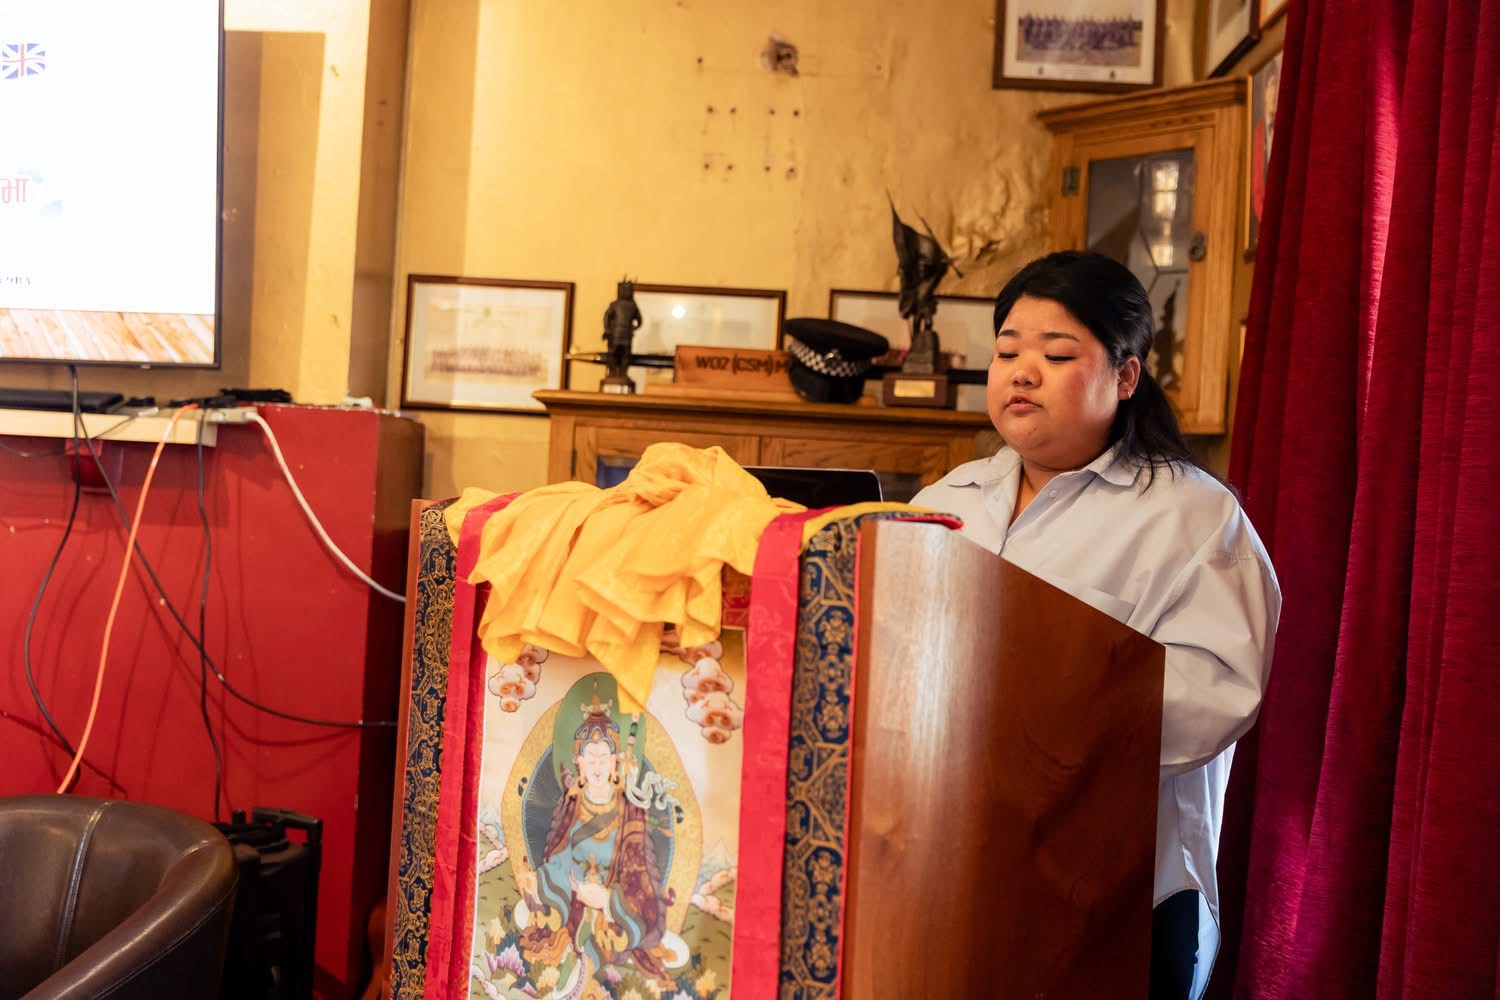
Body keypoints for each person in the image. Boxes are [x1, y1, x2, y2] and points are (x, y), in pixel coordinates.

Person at [911, 251, 1280, 1000]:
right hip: (952, 867)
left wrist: (1037, 713)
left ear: (1126, 375)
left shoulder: (1192, 515)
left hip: (1121, 890)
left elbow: (1220, 693)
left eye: (1056, 355)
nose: (1022, 372)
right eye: (1007, 352)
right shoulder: (946, 500)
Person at [515, 693, 674, 991]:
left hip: (613, 912)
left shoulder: (630, 812)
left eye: (604, 757)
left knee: (599, 963)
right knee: (552, 950)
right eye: (590, 757)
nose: (597, 766)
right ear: (579, 762)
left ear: (615, 763)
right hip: (572, 903)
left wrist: (608, 901)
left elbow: (640, 879)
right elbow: (561, 857)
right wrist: (539, 882)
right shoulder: (571, 804)